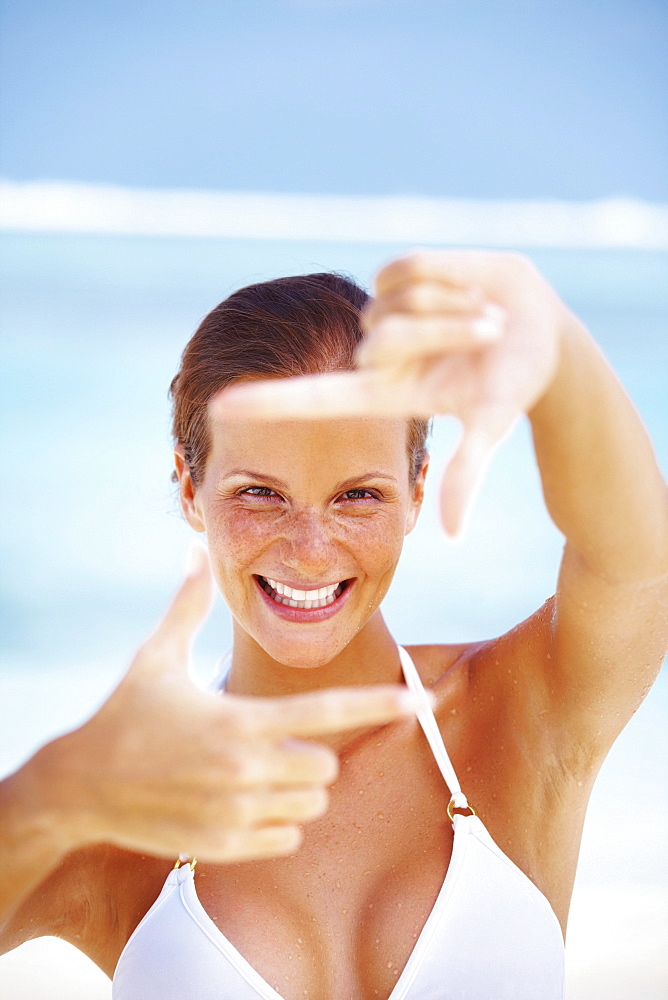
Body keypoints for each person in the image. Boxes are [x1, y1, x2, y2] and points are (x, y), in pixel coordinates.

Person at [1, 250, 666, 1000]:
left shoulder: (517, 718)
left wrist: (558, 349)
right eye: (260, 493)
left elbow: (635, 567)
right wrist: (49, 792)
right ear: (190, 488)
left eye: (358, 495)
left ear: (418, 488)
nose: (310, 552)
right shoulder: (119, 811)